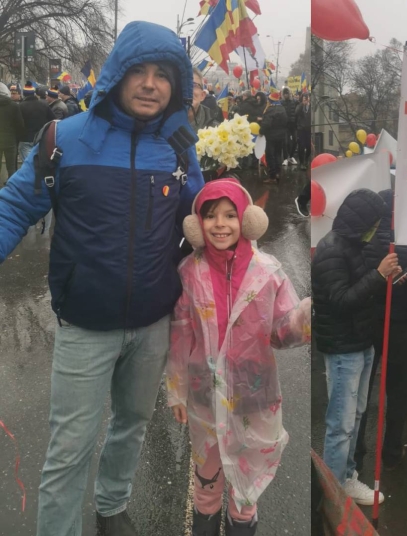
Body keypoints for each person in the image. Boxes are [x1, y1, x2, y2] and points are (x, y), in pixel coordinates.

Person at [0, 21, 203, 536]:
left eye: (163, 75)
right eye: (140, 71)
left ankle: (112, 507)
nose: (151, 84)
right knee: (69, 449)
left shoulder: (180, 148)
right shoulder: (65, 139)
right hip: (86, 325)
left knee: (131, 426)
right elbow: (14, 207)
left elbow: (196, 218)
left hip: (153, 322)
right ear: (117, 75)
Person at [167, 177, 311, 536]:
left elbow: (281, 331)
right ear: (197, 225)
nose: (220, 225)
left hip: (253, 398)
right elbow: (181, 334)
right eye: (211, 216)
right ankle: (205, 522)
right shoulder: (189, 273)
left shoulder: (268, 273)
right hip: (203, 399)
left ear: (247, 220)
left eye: (230, 215)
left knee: (246, 488)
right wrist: (176, 390)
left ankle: (241, 526)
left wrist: (306, 318)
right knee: (207, 478)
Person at [312, 188, 401, 505]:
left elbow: (362, 290)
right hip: (343, 350)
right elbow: (341, 302)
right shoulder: (331, 251)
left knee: (357, 415)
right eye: (375, 222)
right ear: (363, 221)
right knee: (341, 425)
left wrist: (387, 278)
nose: (377, 228)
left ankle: (346, 478)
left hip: (362, 344)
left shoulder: (355, 246)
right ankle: (332, 494)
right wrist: (378, 275)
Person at [354, 189, 407, 473]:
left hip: (368, 320)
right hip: (399, 324)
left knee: (363, 388)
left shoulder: (363, 238)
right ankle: (392, 449)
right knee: (398, 388)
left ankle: (357, 449)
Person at [18, 81, 55, 163]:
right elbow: (53, 119)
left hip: (25, 138)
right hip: (40, 138)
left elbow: (17, 123)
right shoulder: (43, 105)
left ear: (24, 94)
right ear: (33, 94)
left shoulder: (20, 106)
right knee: (39, 162)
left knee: (28, 163)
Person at [260, 91, 287, 183]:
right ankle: (278, 173)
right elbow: (285, 122)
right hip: (281, 136)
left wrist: (261, 131)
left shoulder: (270, 109)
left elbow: (266, 123)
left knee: (270, 156)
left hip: (271, 136)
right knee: (278, 155)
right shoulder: (282, 108)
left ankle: (272, 176)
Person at [0, 82, 24, 182]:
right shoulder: (14, 106)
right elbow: (20, 124)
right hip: (10, 140)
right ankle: (12, 186)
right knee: (11, 165)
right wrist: (17, 138)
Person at [188, 67, 220, 133]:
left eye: (194, 85)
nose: (188, 90)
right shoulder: (162, 128)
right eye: (183, 85)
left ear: (202, 95)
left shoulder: (217, 131)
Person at [281, 87, 297, 166]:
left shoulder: (294, 102)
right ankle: (285, 158)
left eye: (287, 93)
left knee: (295, 140)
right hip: (285, 125)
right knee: (285, 142)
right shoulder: (281, 103)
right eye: (284, 94)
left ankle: (291, 156)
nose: (286, 95)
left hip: (293, 125)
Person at [296, 93, 311, 170]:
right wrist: (302, 104)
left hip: (309, 130)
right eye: (304, 99)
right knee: (301, 146)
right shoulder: (300, 106)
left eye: (307, 98)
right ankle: (301, 162)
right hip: (301, 129)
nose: (306, 100)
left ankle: (306, 160)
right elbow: (296, 112)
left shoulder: (311, 107)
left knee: (308, 147)